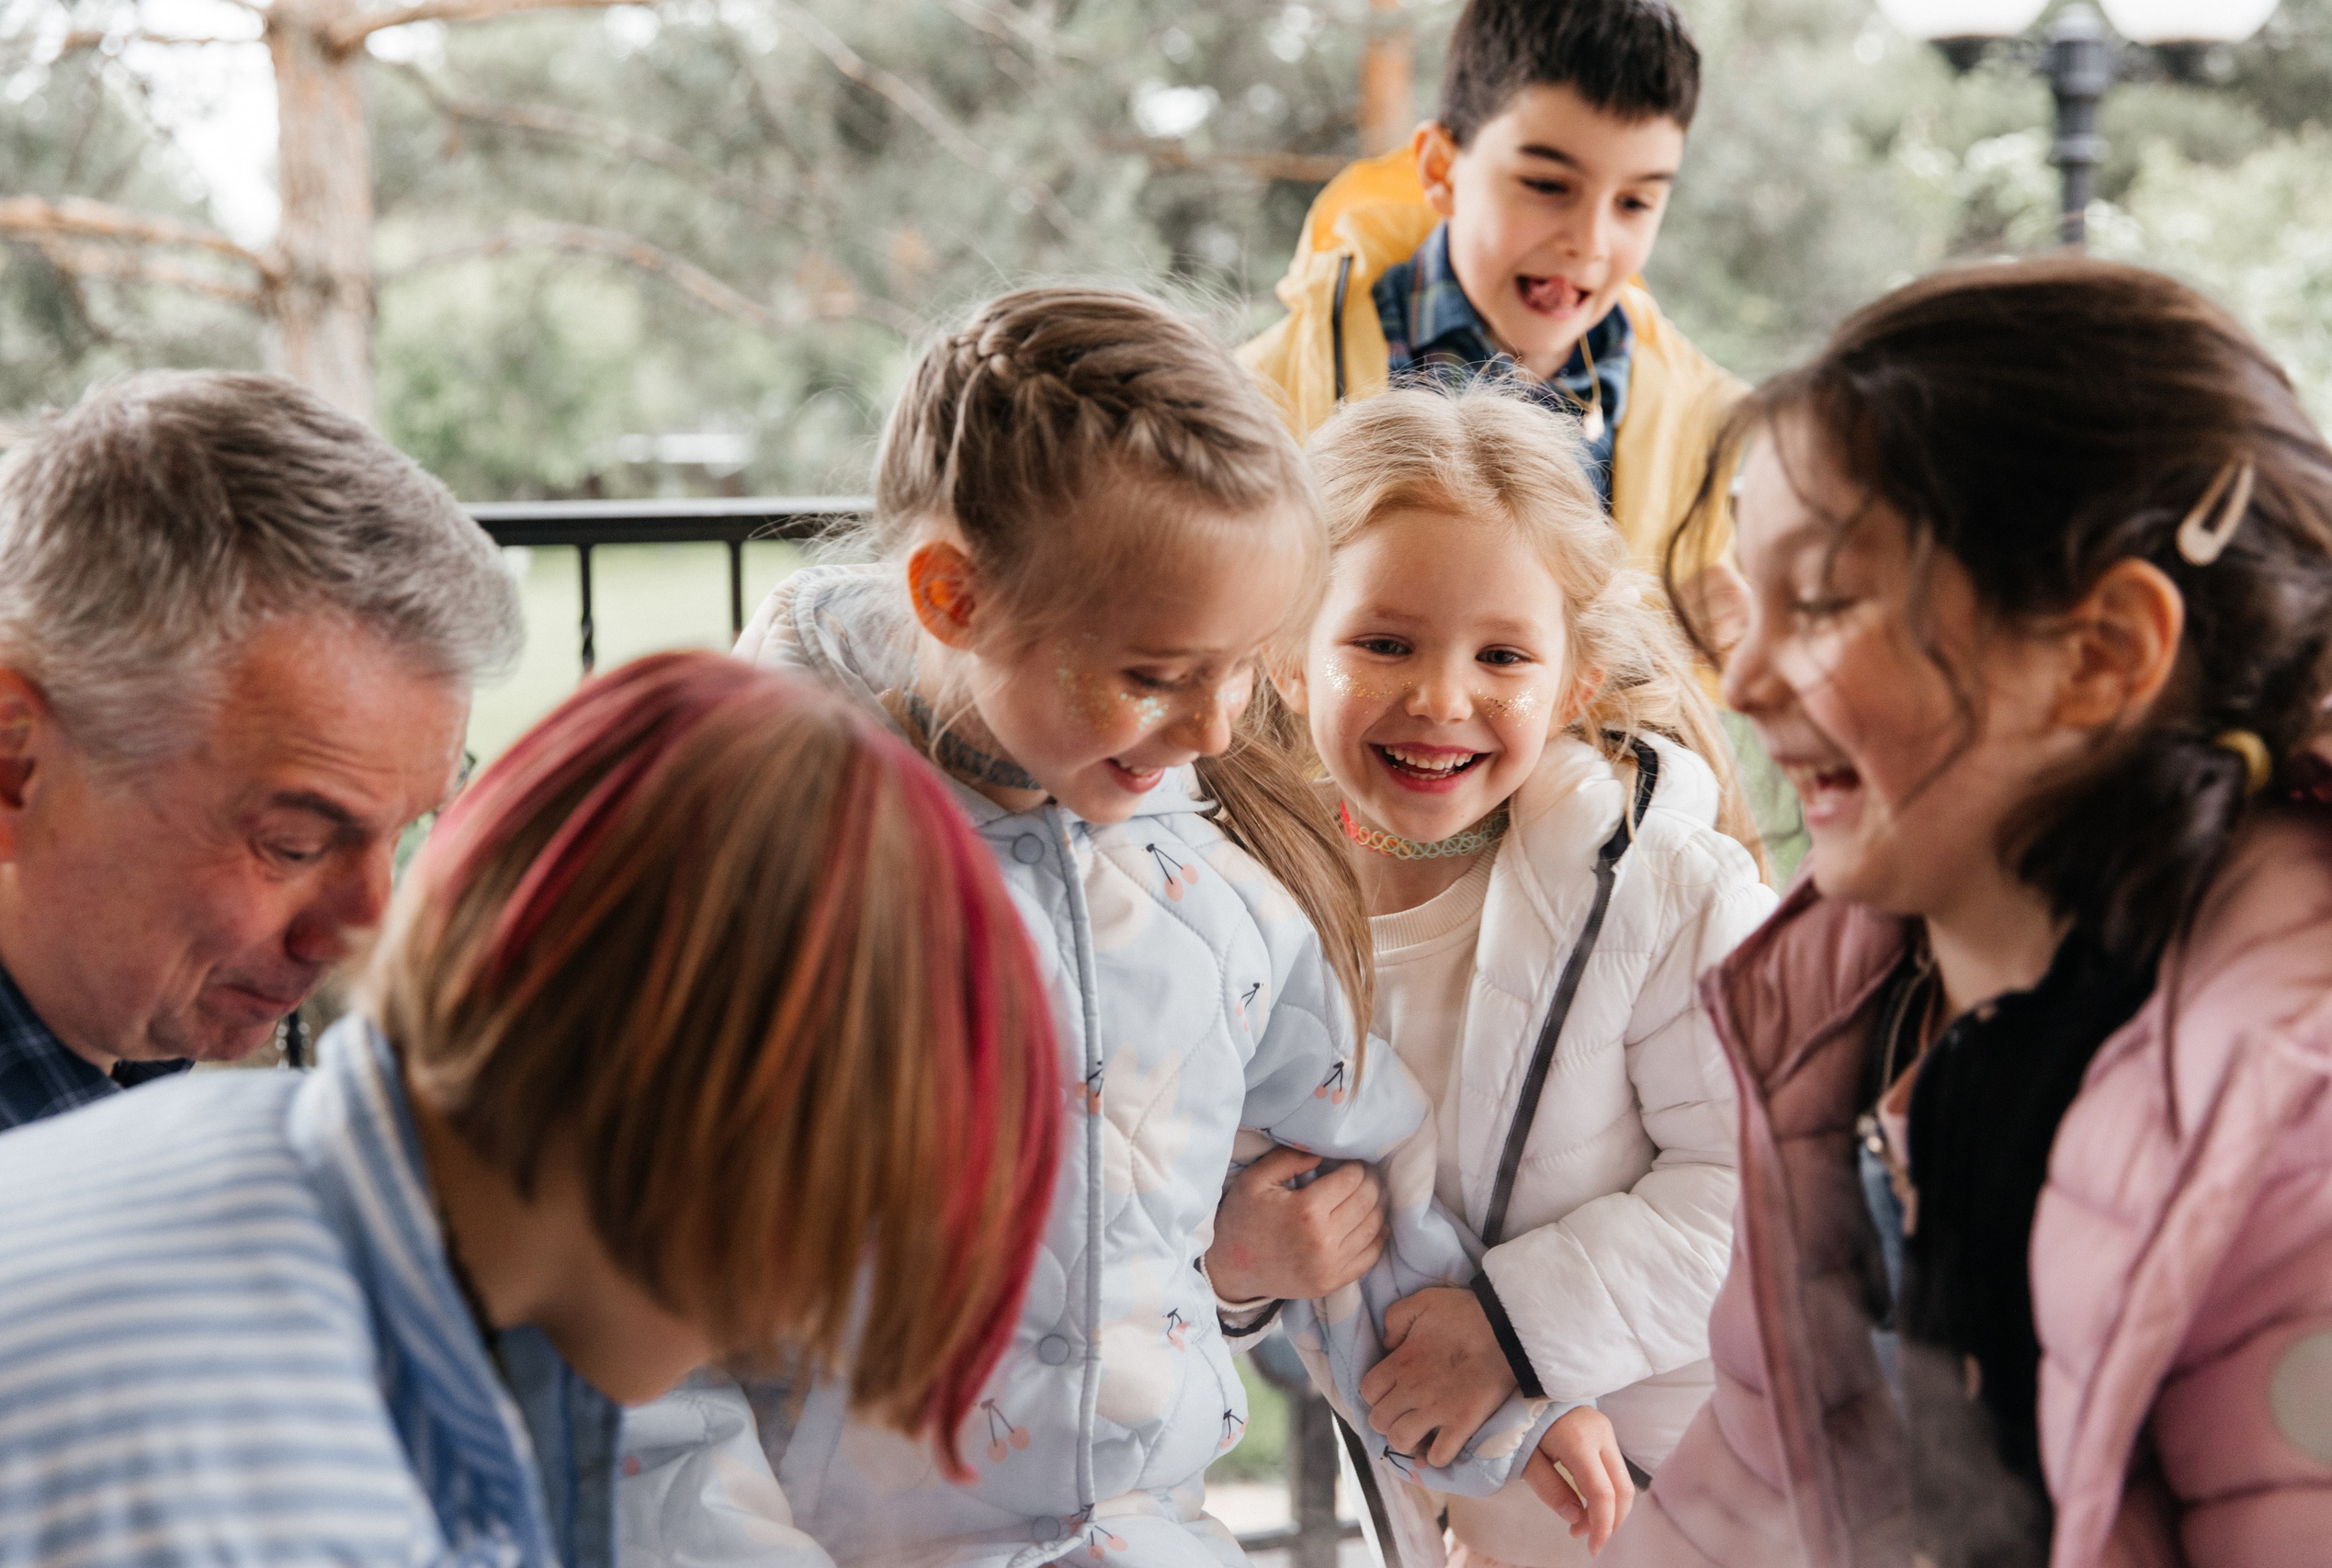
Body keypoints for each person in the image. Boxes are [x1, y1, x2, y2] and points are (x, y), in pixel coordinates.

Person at [620, 285, 1590, 1568]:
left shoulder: (1217, 884)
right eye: (1154, 674)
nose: (1216, 731)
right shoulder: (739, 888)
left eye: (1242, 666)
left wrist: (1509, 1405)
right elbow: (625, 1349)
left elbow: (1358, 1174)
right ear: (954, 598)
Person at [0, 650, 1068, 1568]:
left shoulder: (260, 1200)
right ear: (727, 1116)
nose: (808, 1315)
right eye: (850, 1220)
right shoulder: (286, 1481)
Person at [1603, 256, 2332, 1568]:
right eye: (1742, 604)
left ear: (2102, 652)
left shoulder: (2291, 1117)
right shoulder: (1857, 1017)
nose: (1747, 678)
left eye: (1822, 602)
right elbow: (1754, 1491)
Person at [1236, 385, 1772, 1565]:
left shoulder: (1666, 889)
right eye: (1383, 642)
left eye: (1503, 656)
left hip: (1705, 1494)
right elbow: (1177, 1197)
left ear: (1572, 681)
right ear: (1284, 655)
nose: (1440, 698)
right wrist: (1237, 1268)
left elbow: (1767, 1188)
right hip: (1474, 1511)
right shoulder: (1243, 915)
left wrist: (1515, 1337)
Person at [0, 370, 521, 1136]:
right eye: (293, 845)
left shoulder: (103, 1056)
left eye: (407, 829)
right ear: (8, 767)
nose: (364, 928)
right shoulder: (31, 1221)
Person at [1239, 0, 1741, 589]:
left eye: (1634, 203)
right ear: (1441, 170)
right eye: (1547, 185)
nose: (1590, 242)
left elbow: (1694, 667)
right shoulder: (1260, 399)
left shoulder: (1699, 428)